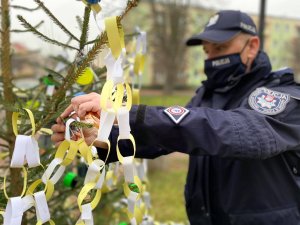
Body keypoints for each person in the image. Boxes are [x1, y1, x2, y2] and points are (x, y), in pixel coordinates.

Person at [51, 10, 300, 225]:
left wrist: (126, 114)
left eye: (221, 49)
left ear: (252, 47)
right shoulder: (207, 96)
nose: (212, 59)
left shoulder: (282, 95)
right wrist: (103, 137)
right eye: (207, 51)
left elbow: (239, 131)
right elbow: (167, 136)